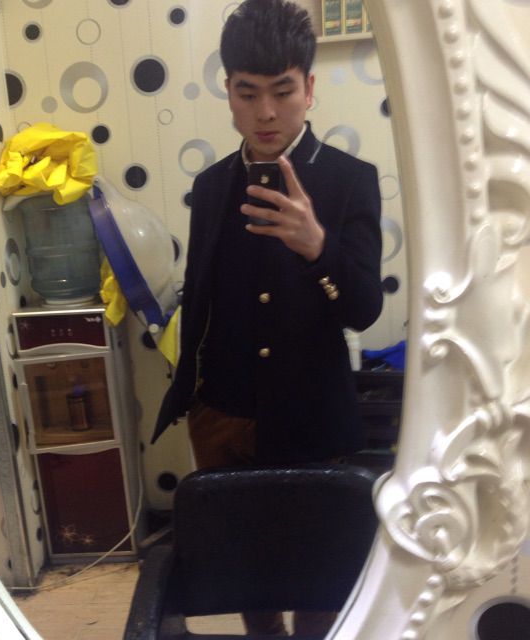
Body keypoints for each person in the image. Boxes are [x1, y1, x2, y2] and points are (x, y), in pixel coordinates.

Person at [152, 0, 383, 635]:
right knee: (249, 576)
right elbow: (202, 294)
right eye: (247, 93)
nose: (266, 112)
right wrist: (194, 397)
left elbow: (365, 309)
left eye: (282, 91)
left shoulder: (349, 181)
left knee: (321, 580)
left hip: (314, 417)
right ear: (228, 91)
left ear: (309, 88)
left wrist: (318, 248)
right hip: (222, 416)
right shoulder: (211, 186)